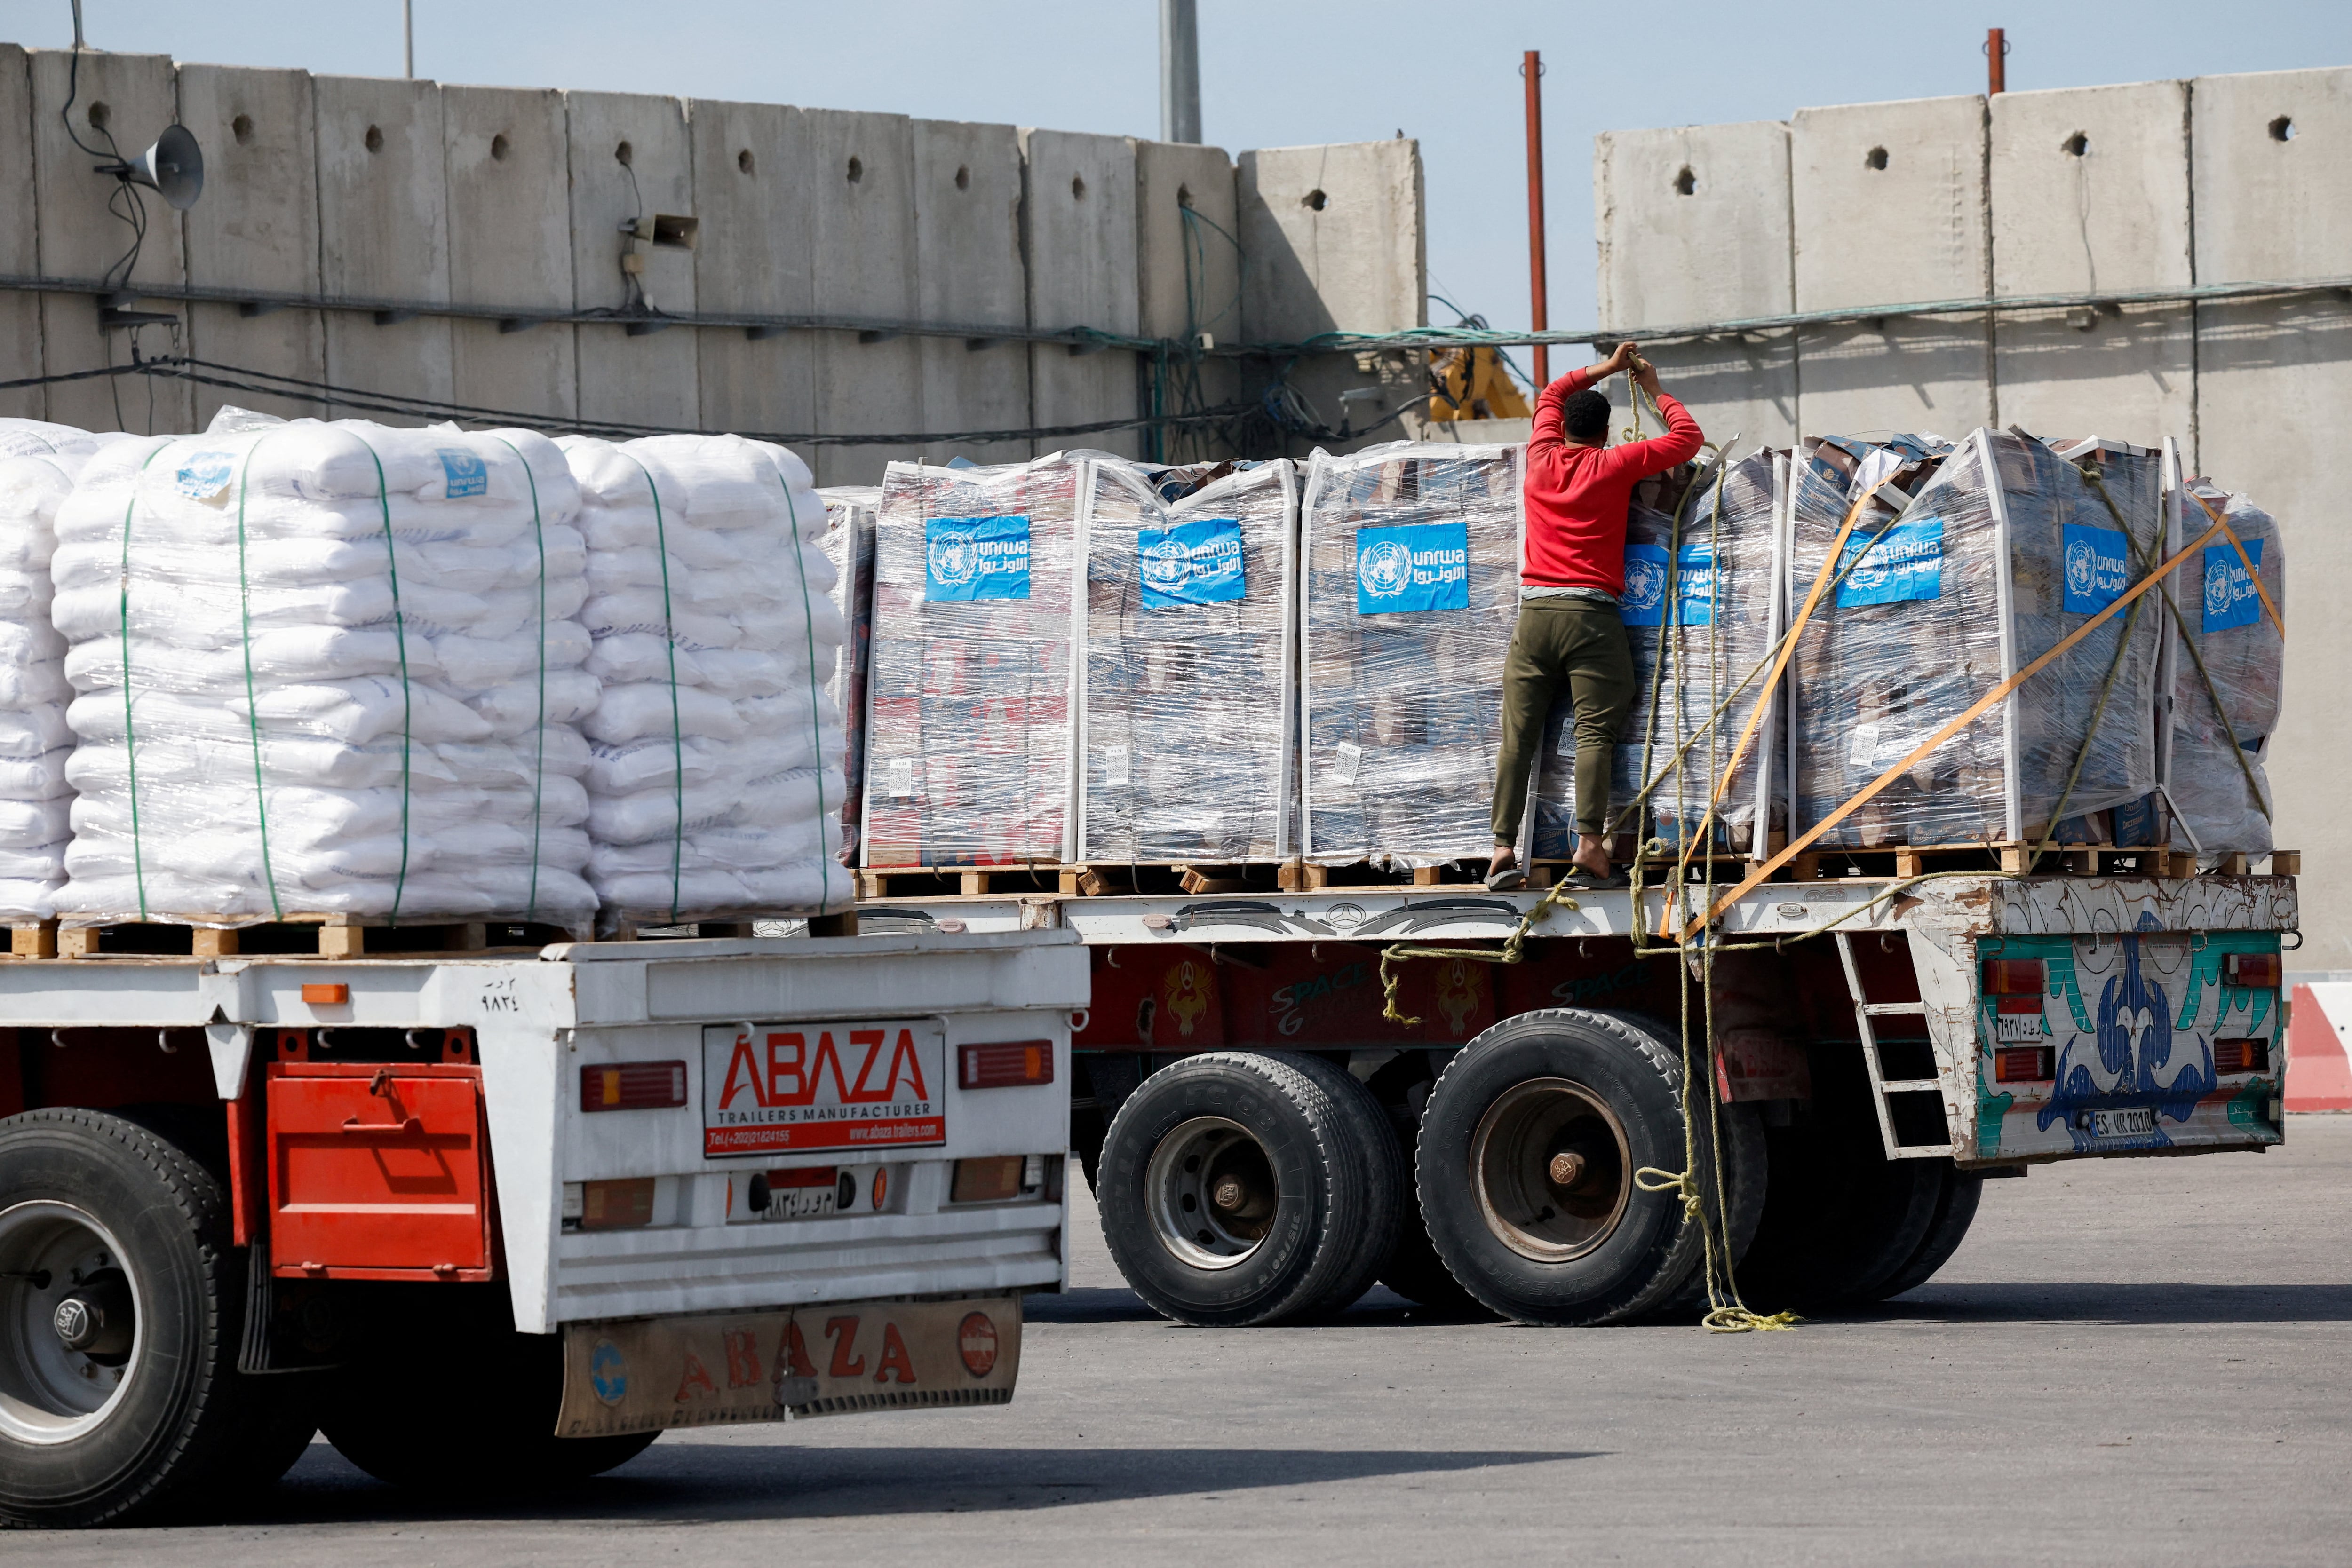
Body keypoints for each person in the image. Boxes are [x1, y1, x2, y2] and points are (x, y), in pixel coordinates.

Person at [1486, 342, 1703, 891]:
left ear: (1561, 430)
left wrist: (1604, 368)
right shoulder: (1614, 464)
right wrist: (1652, 388)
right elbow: (1686, 441)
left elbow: (1551, 392)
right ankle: (1589, 845)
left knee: (1518, 735)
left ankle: (1501, 849)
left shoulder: (1539, 456)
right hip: (1590, 616)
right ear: (1605, 433)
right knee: (1595, 729)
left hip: (1533, 615)